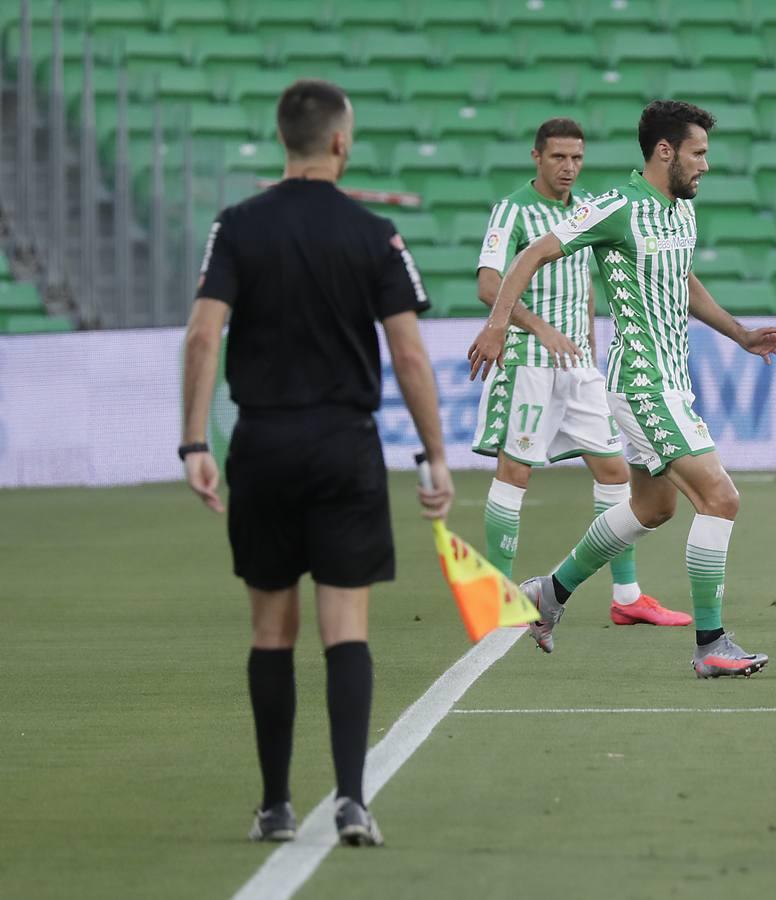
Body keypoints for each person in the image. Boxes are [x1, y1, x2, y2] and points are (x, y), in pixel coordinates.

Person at [179, 80, 452, 847]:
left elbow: (204, 336)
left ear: (283, 140)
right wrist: (435, 454)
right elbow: (408, 354)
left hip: (261, 445)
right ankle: (353, 801)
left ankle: (273, 805)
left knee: (271, 632)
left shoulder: (236, 227)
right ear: (340, 142)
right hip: (343, 445)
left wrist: (196, 442)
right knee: (346, 628)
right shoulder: (373, 233)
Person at [467, 100, 776, 677]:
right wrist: (498, 325)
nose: (706, 165)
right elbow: (531, 254)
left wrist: (740, 333)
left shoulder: (680, 211)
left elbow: (683, 280)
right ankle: (711, 644)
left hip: (673, 378)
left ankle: (549, 594)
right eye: (698, 153)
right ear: (665, 151)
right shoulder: (616, 206)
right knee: (721, 497)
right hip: (641, 380)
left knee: (653, 506)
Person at [471, 117, 690, 628]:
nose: (568, 167)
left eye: (576, 158)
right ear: (537, 157)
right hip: (527, 359)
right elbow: (489, 284)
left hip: (579, 365)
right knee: (516, 470)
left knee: (616, 471)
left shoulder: (591, 208)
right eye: (558, 158)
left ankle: (627, 595)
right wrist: (536, 327)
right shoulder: (514, 209)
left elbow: (586, 279)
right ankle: (498, 596)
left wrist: (589, 339)